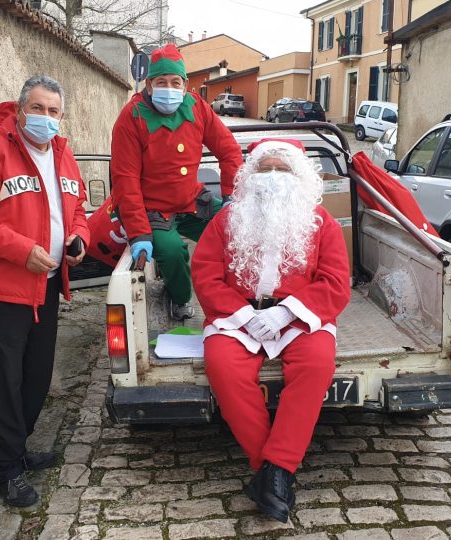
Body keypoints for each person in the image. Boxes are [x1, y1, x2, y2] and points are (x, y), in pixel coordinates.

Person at [192, 139, 352, 523]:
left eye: (283, 169)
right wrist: (244, 316)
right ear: (250, 176)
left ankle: (274, 470)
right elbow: (206, 274)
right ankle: (274, 470)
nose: (274, 177)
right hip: (238, 318)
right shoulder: (225, 221)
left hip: (297, 319)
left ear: (299, 177)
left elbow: (335, 282)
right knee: (223, 368)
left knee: (316, 365)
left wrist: (284, 314)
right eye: (266, 169)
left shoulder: (321, 222)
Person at [0, 74, 89, 507]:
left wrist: (78, 239)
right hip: (3, 289)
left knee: (35, 376)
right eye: (37, 108)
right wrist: (22, 251)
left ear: (61, 117)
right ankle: (3, 468)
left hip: (46, 287)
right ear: (19, 110)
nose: (45, 118)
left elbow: (78, 208)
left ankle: (18, 447)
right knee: (4, 381)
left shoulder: (64, 156)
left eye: (53, 111)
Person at [110, 43, 243, 319]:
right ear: (148, 84)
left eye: (175, 82)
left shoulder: (197, 108)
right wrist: (138, 233)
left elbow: (229, 150)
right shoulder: (131, 118)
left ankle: (236, 292)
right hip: (152, 209)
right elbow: (126, 180)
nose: (168, 88)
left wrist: (232, 195)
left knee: (237, 229)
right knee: (171, 253)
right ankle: (180, 297)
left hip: (191, 201)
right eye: (161, 82)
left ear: (184, 86)